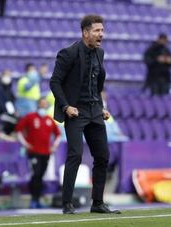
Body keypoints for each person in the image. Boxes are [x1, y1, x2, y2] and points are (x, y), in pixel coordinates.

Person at [50, 14, 120, 215]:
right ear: (85, 33)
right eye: (97, 31)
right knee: (75, 155)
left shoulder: (100, 53)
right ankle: (67, 204)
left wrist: (101, 106)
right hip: (75, 112)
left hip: (95, 111)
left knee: (103, 156)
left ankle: (97, 203)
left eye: (102, 30)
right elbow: (54, 82)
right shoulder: (68, 53)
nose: (101, 34)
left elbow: (96, 84)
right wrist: (66, 107)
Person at [16, 98, 61, 209]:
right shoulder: (30, 117)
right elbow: (18, 130)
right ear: (38, 105)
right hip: (33, 152)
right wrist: (25, 144)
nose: (43, 106)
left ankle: (37, 199)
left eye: (45, 104)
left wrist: (54, 146)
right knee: (35, 175)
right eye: (41, 104)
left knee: (40, 176)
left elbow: (58, 134)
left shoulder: (49, 120)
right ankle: (33, 199)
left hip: (46, 153)